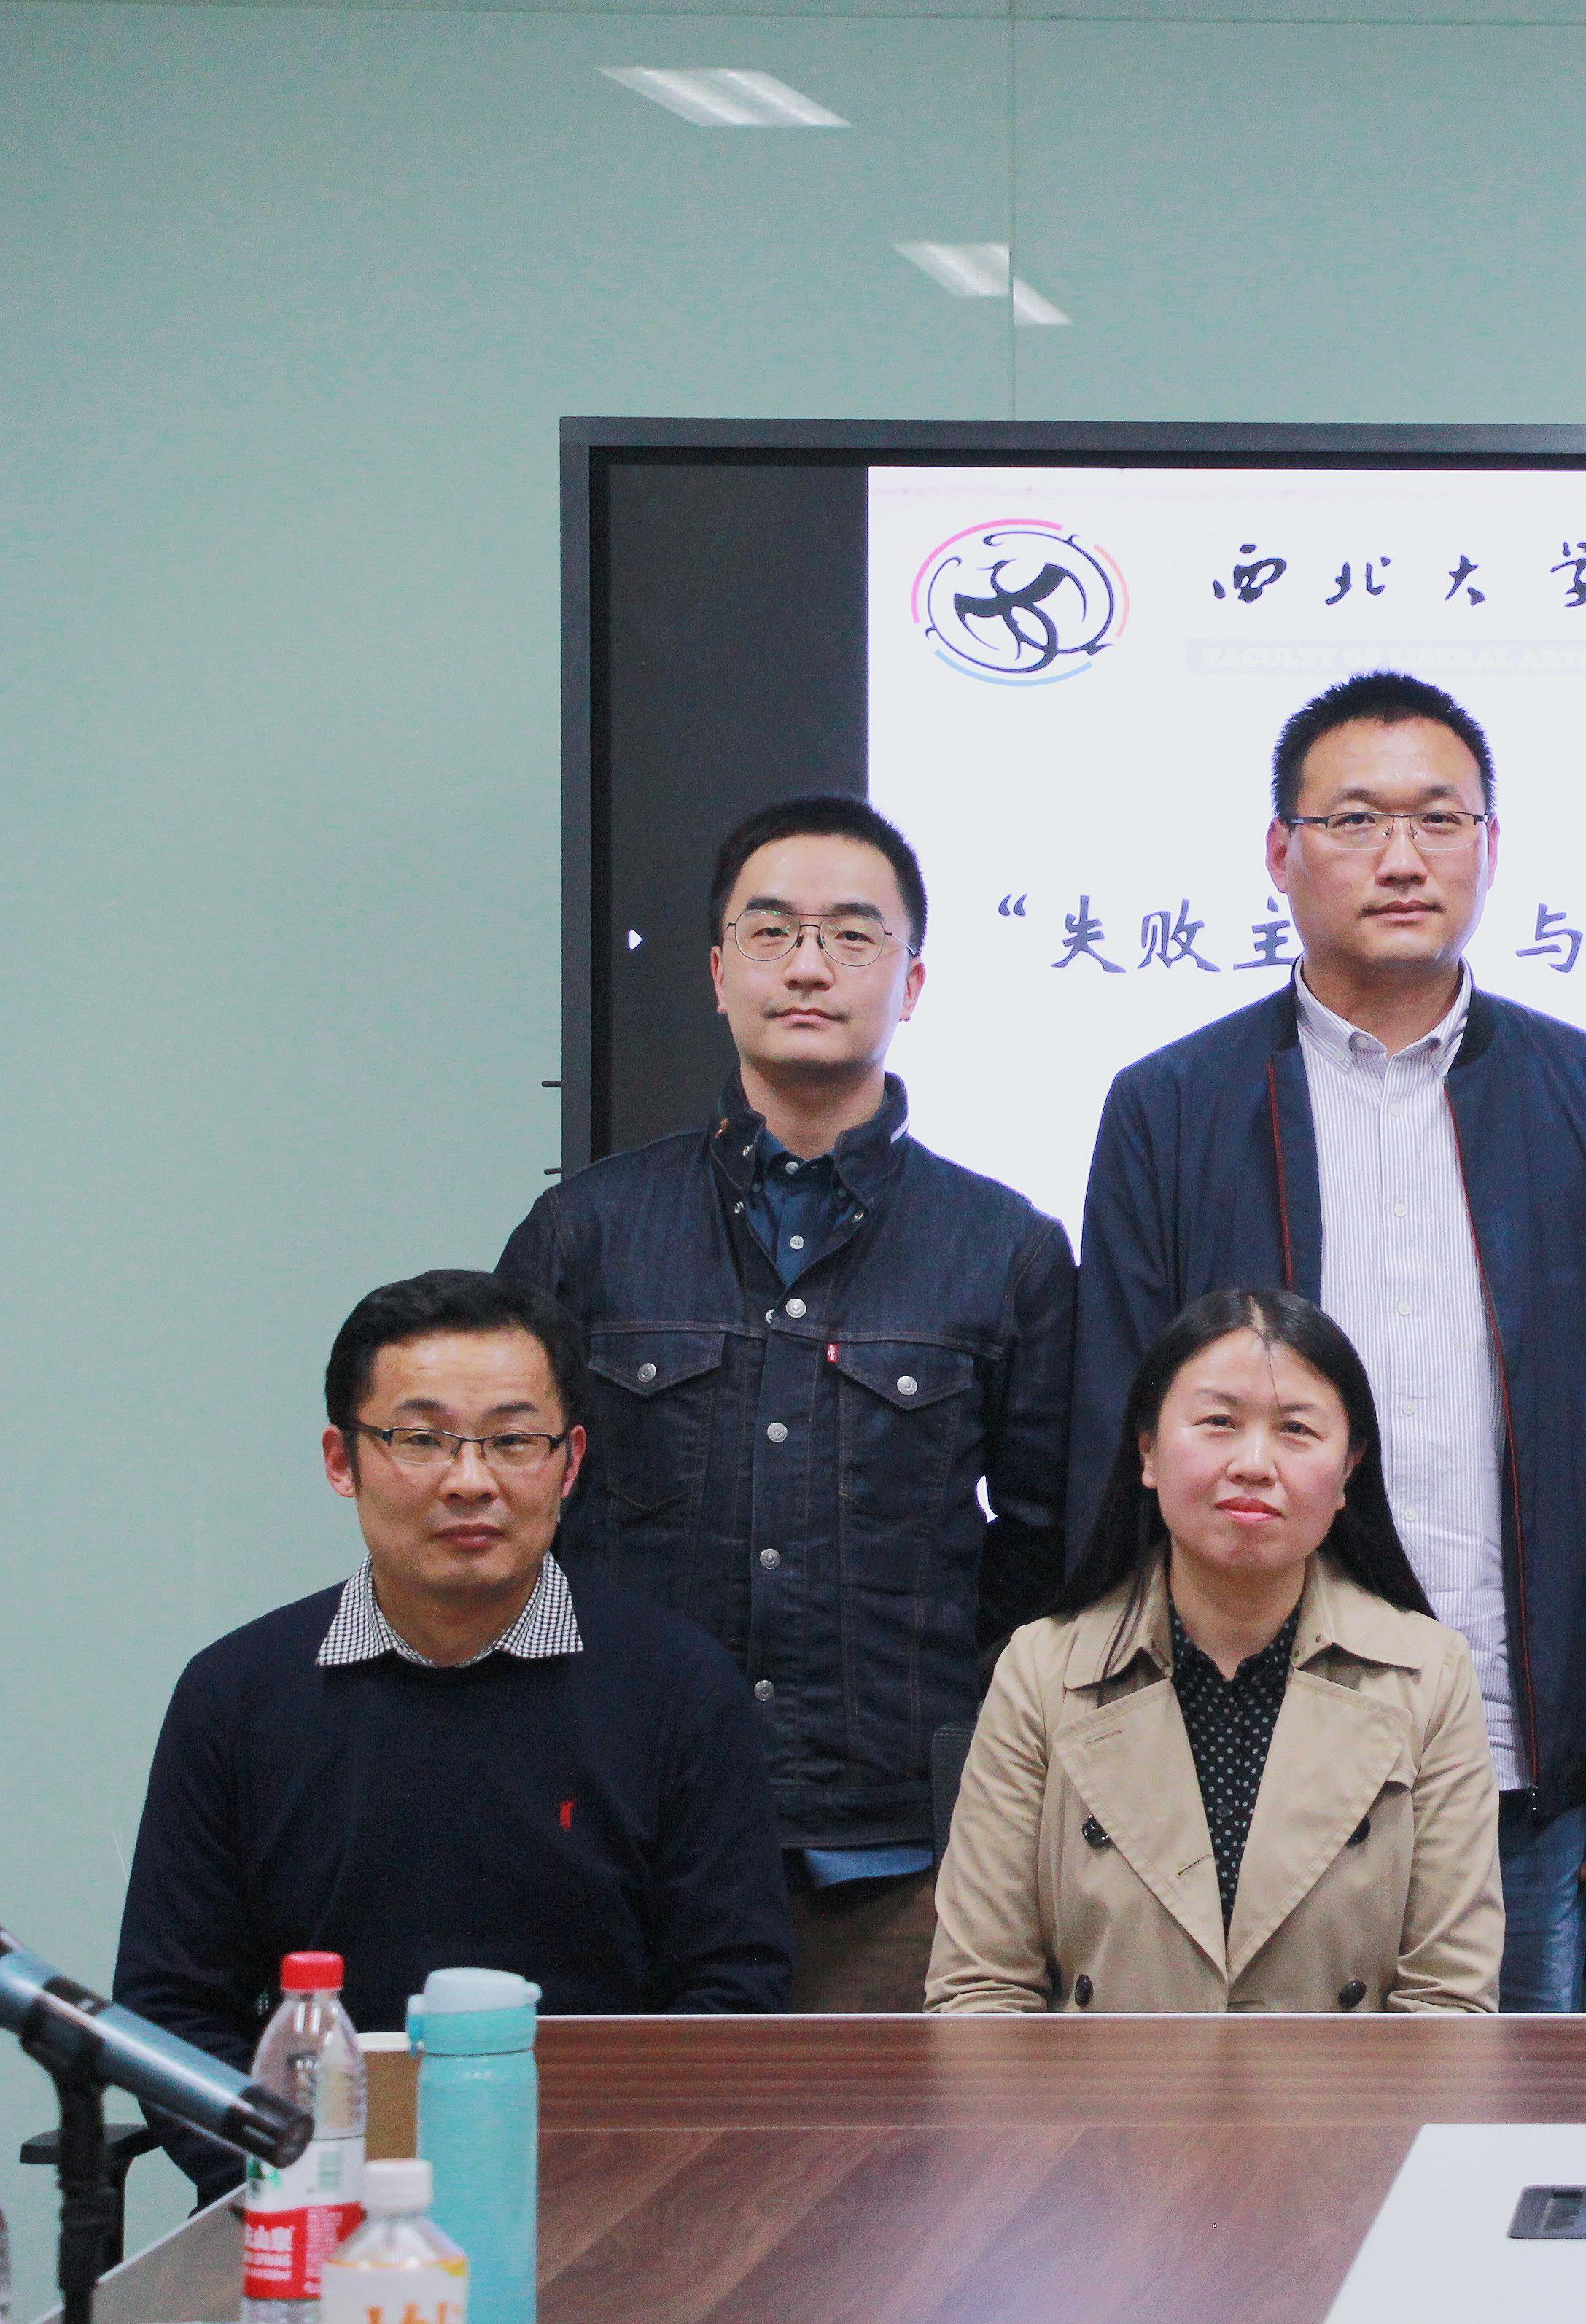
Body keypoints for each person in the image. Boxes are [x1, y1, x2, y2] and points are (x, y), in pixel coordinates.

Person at [1071, 671, 1586, 2012]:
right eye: (1356, 820)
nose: (1403, 858)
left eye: (1441, 819)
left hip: (1511, 1746)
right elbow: (1110, 1434)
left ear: (1490, 844)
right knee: (1228, 2123)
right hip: (1226, 1728)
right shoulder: (1171, 1106)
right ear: (1280, 852)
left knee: (1496, 2121)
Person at [497, 794, 1073, 2012]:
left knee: (890, 2143)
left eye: (853, 935)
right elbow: (509, 1513)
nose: (809, 965)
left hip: (897, 1866)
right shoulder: (585, 1232)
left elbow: (1051, 1546)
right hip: (620, 1835)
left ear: (913, 981)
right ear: (719, 973)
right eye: (770, 932)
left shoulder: (1005, 1249)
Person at [116, 1272, 791, 2189]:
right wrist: (298, 2181)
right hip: (308, 2201)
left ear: (570, 1463)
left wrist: (611, 2185)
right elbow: (171, 2012)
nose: (470, 1482)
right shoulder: (235, 1696)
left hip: (612, 2195)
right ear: (342, 1460)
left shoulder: (679, 1689)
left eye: (512, 1441)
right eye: (421, 1440)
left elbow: (732, 1995)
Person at [929, 1289, 1499, 2013]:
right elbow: (980, 1989)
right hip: (1102, 2088)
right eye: (1219, 1423)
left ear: (1349, 1470)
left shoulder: (1429, 1674)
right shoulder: (1043, 1670)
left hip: (1348, 2090)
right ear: (1147, 1450)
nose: (1254, 1464)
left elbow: (1450, 2003)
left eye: (1296, 1429)